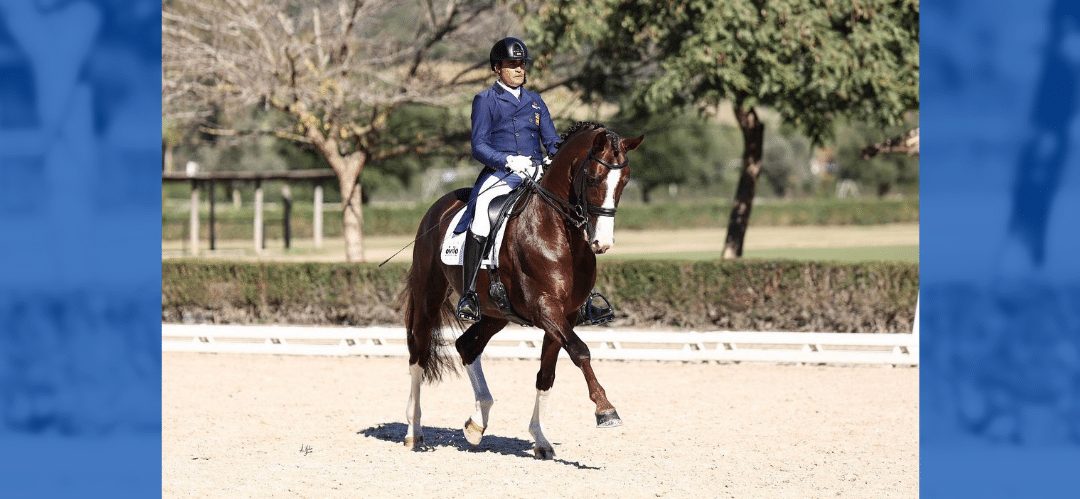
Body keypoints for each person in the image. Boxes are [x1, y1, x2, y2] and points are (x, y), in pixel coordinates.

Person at [455, 36, 559, 321]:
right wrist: (508, 160)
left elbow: (551, 139)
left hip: (535, 171)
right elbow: (479, 145)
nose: (519, 70)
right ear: (496, 68)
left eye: (521, 64)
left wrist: (554, 156)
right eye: (512, 65)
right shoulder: (485, 100)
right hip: (502, 172)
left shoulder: (535, 101)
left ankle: (585, 296)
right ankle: (469, 294)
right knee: (482, 212)